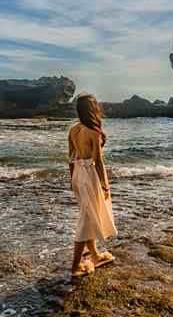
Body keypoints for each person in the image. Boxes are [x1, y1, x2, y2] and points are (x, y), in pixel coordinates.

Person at [67, 94, 117, 277]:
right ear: (92, 109)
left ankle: (95, 255)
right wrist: (105, 184)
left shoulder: (73, 130)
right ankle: (75, 267)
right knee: (86, 219)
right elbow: (98, 161)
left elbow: (71, 159)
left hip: (77, 175)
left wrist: (72, 181)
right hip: (89, 175)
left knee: (88, 214)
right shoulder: (94, 132)